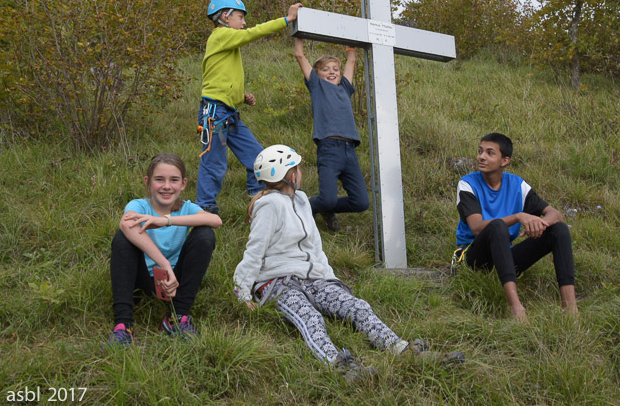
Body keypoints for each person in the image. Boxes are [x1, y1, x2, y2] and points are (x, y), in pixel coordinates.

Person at [234, 145, 463, 380]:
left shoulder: (301, 200)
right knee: (311, 319)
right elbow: (254, 252)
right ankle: (340, 366)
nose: (301, 172)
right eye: (298, 168)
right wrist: (242, 293)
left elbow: (315, 248)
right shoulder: (269, 206)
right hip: (278, 283)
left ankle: (402, 350)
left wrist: (330, 279)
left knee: (357, 306)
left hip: (314, 279)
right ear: (291, 176)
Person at [197, 0, 302, 215]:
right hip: (215, 112)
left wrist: (240, 96)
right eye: (240, 17)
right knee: (214, 162)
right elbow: (254, 33)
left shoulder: (227, 42)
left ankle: (258, 200)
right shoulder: (220, 35)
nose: (244, 23)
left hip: (229, 112)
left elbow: (220, 77)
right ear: (225, 17)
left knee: (257, 157)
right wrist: (287, 19)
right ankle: (205, 208)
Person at [455, 133, 577, 321]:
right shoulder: (467, 184)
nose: (481, 157)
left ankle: (570, 309)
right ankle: (516, 308)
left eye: (489, 153)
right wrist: (519, 216)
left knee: (559, 229)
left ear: (504, 161)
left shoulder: (517, 185)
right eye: (480, 151)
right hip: (475, 258)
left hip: (505, 256)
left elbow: (556, 214)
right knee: (498, 226)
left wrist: (540, 224)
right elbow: (477, 227)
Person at [106, 154, 222, 346]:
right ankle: (123, 326)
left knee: (205, 234)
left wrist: (166, 220)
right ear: (148, 182)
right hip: (143, 279)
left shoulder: (187, 208)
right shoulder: (138, 205)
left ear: (183, 184)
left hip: (176, 281)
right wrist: (165, 264)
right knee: (122, 238)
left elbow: (215, 220)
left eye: (174, 180)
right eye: (159, 179)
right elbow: (126, 224)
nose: (167, 186)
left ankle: (177, 317)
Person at [293, 38, 369, 231]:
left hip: (350, 151)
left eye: (335, 69)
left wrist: (351, 44)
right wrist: (298, 36)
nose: (332, 72)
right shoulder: (317, 86)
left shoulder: (345, 88)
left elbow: (351, 60)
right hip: (329, 149)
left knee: (361, 202)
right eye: (326, 69)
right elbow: (300, 55)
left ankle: (326, 209)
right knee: (327, 199)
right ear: (317, 74)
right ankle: (303, 209)